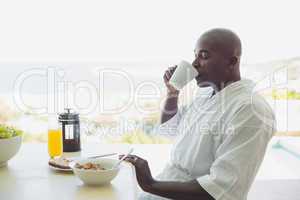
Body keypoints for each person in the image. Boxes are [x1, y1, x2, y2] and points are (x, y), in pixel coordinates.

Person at [121, 28, 276, 200]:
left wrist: (151, 184)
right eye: (195, 55)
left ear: (231, 62)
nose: (194, 63)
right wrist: (173, 93)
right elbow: (170, 129)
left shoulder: (250, 110)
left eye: (204, 56)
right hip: (166, 188)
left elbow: (220, 190)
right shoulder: (205, 95)